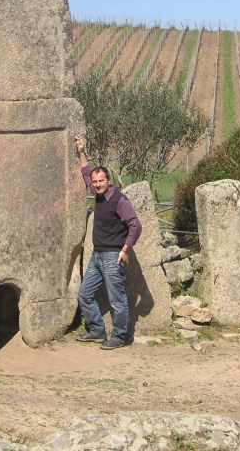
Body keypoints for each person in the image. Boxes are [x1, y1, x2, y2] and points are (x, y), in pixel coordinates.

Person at [74, 135, 142, 350]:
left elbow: (135, 226)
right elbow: (86, 172)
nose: (96, 184)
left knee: (117, 299)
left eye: (100, 181)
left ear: (108, 180)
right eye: (94, 182)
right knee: (84, 294)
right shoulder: (99, 195)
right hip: (97, 254)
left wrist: (125, 249)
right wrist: (81, 151)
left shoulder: (119, 200)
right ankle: (97, 330)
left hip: (114, 256)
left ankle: (120, 337)